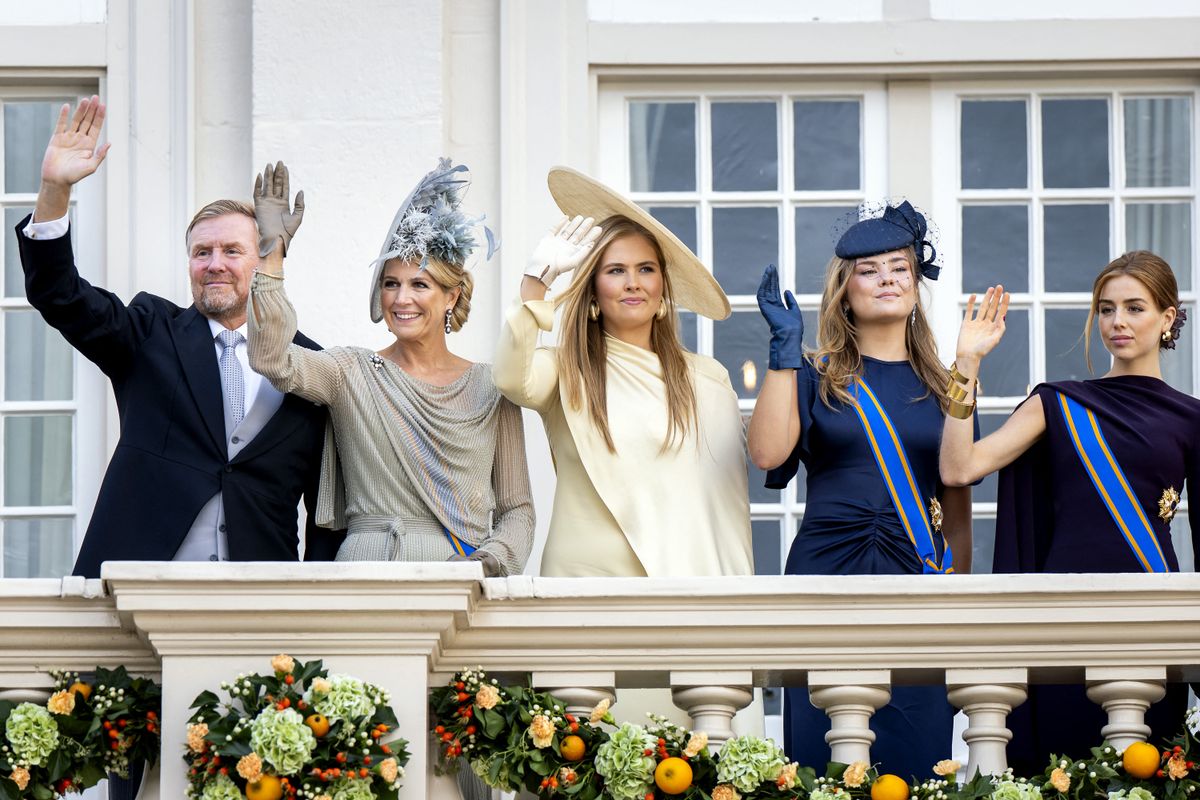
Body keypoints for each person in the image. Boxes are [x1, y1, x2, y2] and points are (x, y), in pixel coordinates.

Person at [16, 96, 338, 579]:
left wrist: (314, 610)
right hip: (138, 593)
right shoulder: (148, 331)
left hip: (264, 606)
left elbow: (327, 512)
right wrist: (54, 190)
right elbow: (59, 295)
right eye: (201, 252)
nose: (214, 264)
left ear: (263, 258)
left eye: (232, 250)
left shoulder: (311, 365)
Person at [939, 250, 1199, 772]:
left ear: (1168, 317)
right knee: (1061, 767)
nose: (1117, 322)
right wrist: (966, 363)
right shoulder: (1057, 402)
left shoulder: (1190, 417)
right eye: (1106, 309)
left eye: (1134, 308)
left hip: (1152, 619)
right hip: (1062, 616)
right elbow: (959, 468)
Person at [748, 201, 972, 776]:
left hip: (918, 576)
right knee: (825, 757)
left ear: (916, 284)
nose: (887, 279)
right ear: (844, 289)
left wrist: (960, 591)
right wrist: (782, 353)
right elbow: (768, 454)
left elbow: (958, 491)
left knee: (917, 758)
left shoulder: (948, 382)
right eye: (868, 270)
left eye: (900, 267)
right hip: (826, 572)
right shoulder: (814, 372)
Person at [247, 159, 534, 576]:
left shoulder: (493, 386)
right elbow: (271, 359)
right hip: (366, 571)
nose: (401, 299)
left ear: (451, 297)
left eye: (419, 284)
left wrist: (487, 564)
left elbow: (517, 509)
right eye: (390, 283)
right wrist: (271, 259)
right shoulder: (350, 370)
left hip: (462, 576)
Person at [493, 166, 752, 578]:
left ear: (663, 288)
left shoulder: (709, 378)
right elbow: (510, 378)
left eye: (646, 269)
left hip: (687, 591)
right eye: (616, 271)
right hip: (587, 583)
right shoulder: (564, 368)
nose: (633, 283)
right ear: (593, 289)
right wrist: (535, 284)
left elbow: (723, 506)